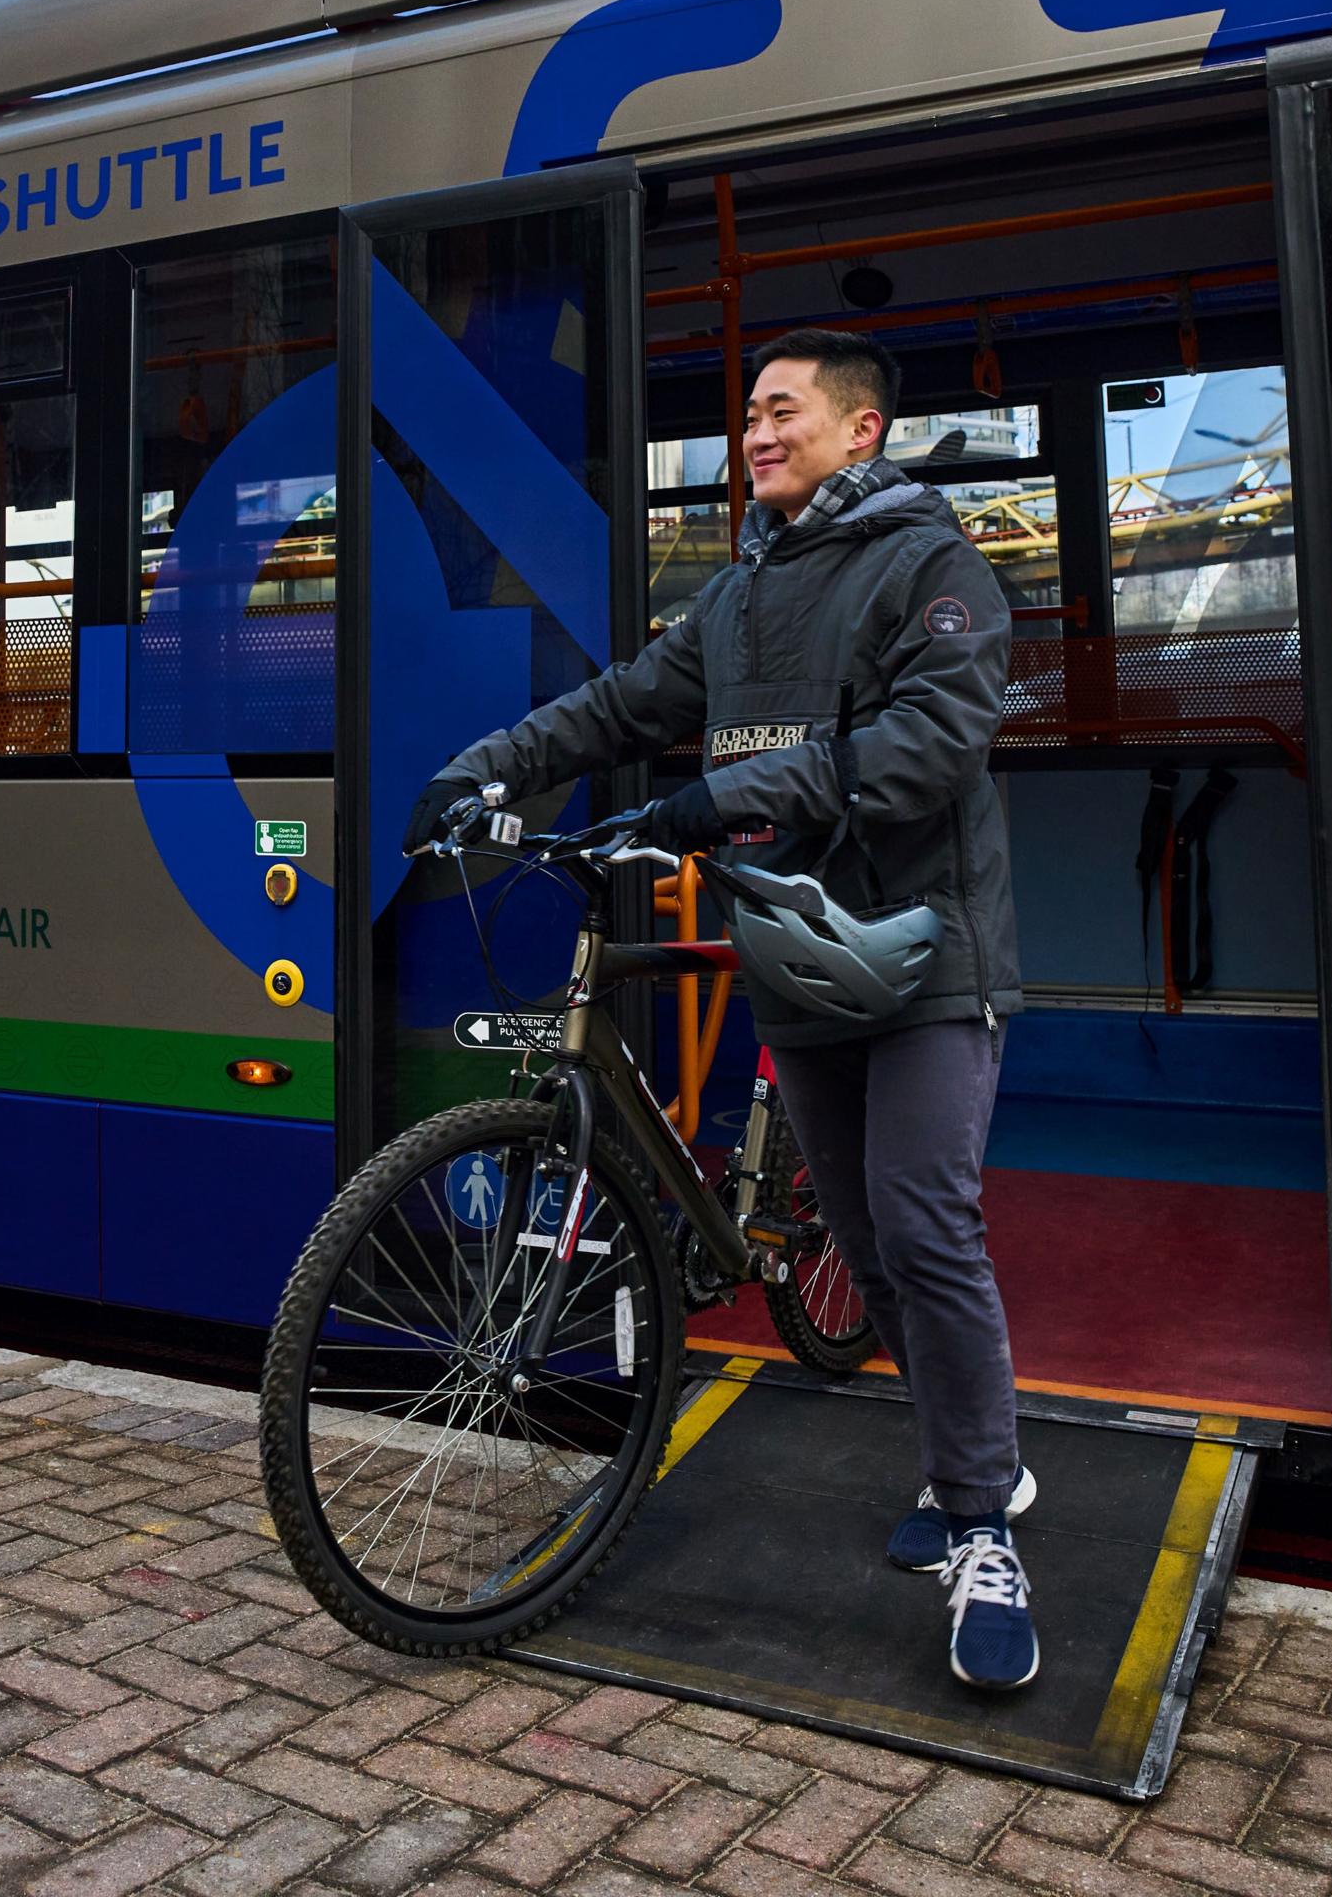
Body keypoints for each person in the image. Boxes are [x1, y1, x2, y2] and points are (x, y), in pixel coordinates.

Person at [404, 327, 1037, 1692]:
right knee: (865, 1244)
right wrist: (481, 769)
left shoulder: (933, 565)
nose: (755, 433)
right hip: (802, 957)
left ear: (861, 431)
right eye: (746, 413)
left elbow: (933, 746)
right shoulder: (742, 599)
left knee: (925, 1222)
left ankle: (985, 1520)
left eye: (782, 411)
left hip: (926, 959)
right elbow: (622, 704)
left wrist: (731, 798)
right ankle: (954, 1461)